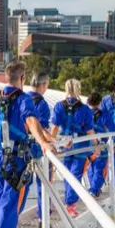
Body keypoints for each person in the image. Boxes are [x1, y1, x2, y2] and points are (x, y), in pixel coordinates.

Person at [0, 62, 54, 228]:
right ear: (22, 78)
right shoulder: (24, 100)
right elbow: (31, 121)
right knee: (10, 203)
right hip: (16, 160)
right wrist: (44, 144)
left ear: (6, 77)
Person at [50, 79, 96, 218]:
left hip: (64, 144)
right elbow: (89, 130)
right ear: (78, 90)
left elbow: (55, 128)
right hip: (80, 145)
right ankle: (70, 204)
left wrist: (52, 143)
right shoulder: (85, 109)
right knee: (76, 174)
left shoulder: (59, 106)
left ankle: (69, 202)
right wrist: (96, 144)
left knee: (67, 173)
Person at [27, 73, 53, 228]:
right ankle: (43, 220)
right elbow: (42, 130)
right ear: (43, 85)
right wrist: (52, 142)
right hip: (38, 150)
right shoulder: (42, 105)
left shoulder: (22, 99)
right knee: (43, 185)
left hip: (22, 150)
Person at [86, 92, 115, 198]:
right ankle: (94, 189)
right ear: (100, 103)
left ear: (87, 102)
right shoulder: (104, 115)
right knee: (99, 169)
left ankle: (93, 188)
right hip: (101, 145)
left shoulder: (84, 113)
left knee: (91, 167)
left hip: (87, 145)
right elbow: (113, 130)